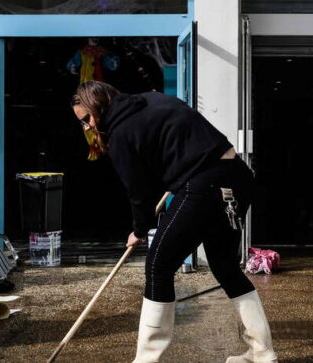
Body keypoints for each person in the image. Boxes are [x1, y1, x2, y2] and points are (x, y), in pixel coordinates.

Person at [71, 81, 278, 363]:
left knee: (158, 265)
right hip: (238, 177)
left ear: (98, 106)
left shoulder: (120, 133)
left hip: (204, 185)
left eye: (86, 119)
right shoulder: (155, 100)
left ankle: (147, 360)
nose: (86, 127)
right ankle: (262, 353)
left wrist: (139, 230)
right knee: (225, 267)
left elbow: (139, 192)